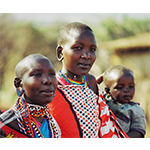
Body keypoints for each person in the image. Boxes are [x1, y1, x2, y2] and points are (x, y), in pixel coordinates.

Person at [48, 22, 128, 138]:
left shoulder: (90, 82)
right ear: (60, 52)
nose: (87, 56)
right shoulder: (51, 87)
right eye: (78, 48)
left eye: (92, 49)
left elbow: (102, 122)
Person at [0, 54, 61, 138]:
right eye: (37, 74)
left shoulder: (53, 126)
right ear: (18, 83)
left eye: (52, 74)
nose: (48, 80)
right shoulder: (5, 125)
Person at [103, 65, 146, 138]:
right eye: (120, 87)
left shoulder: (136, 110)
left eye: (131, 86)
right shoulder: (104, 101)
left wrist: (120, 137)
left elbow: (139, 132)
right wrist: (102, 77)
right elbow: (90, 88)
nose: (127, 90)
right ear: (108, 91)